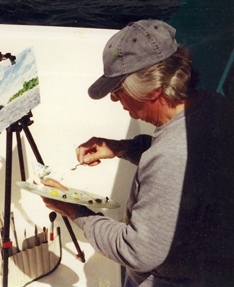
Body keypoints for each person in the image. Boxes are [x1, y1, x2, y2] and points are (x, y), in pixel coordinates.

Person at [42, 19, 234, 286]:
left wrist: (75, 211)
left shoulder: (169, 157)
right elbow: (189, 161)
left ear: (154, 89)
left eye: (118, 91)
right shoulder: (212, 104)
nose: (114, 100)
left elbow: (137, 251)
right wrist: (122, 147)